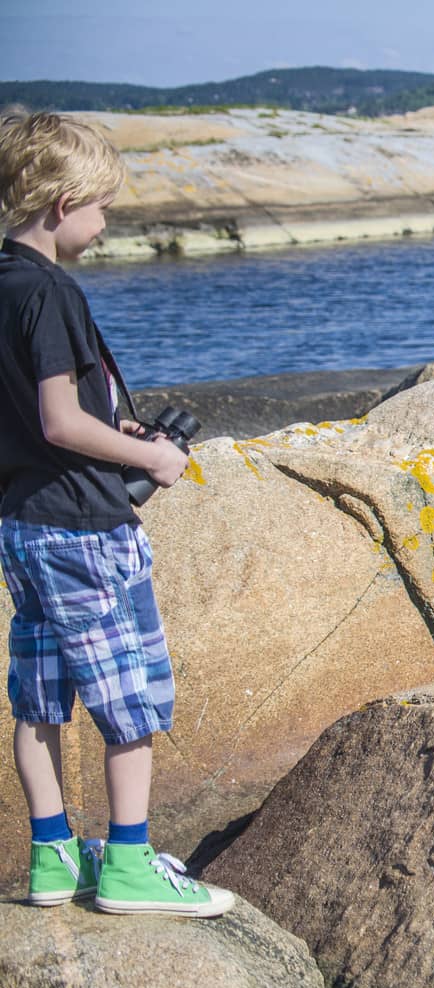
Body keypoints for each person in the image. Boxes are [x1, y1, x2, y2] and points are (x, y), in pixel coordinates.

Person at [0, 111, 233, 916]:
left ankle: (53, 858)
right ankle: (130, 865)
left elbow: (35, 417)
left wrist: (117, 427)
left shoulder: (2, 283)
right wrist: (152, 456)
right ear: (64, 204)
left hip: (23, 525)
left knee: (39, 697)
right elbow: (64, 423)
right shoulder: (54, 292)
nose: (105, 226)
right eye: (102, 209)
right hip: (85, 531)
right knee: (129, 700)